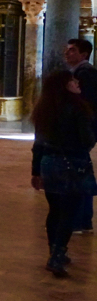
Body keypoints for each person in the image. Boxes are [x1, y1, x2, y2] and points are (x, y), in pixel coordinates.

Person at [30, 69, 95, 277]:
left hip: (49, 162)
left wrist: (36, 171)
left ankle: (54, 250)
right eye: (72, 81)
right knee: (69, 212)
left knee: (55, 210)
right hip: (73, 163)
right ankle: (57, 255)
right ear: (64, 85)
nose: (77, 83)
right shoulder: (78, 108)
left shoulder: (44, 109)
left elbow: (38, 144)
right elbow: (87, 141)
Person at [64, 38, 97, 233]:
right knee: (82, 172)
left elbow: (85, 106)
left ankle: (78, 221)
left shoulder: (86, 74)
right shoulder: (81, 72)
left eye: (72, 50)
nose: (67, 53)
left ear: (84, 54)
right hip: (84, 130)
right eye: (67, 50)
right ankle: (84, 221)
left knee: (76, 176)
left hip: (81, 131)